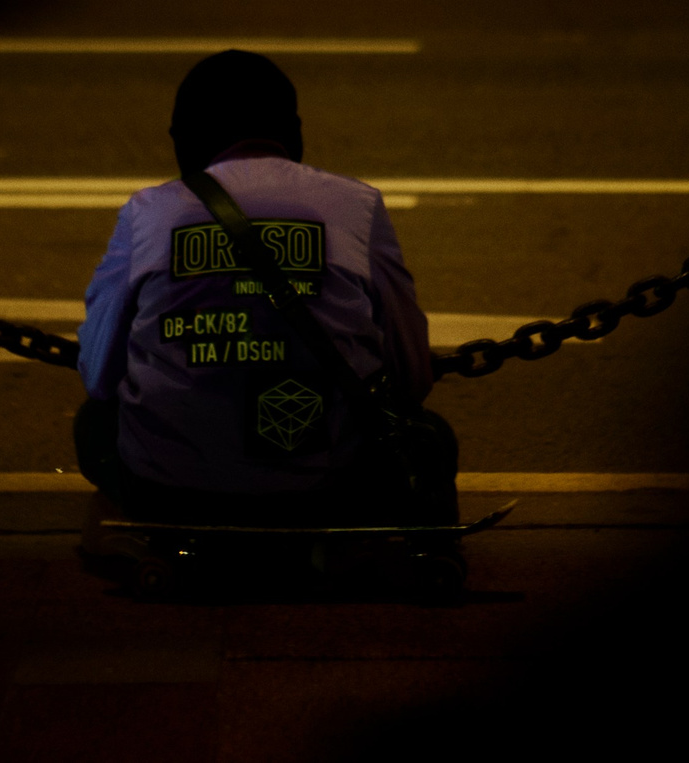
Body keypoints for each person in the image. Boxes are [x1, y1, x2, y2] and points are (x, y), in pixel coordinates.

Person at [73, 50, 453, 522]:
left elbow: (98, 375)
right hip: (328, 490)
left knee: (93, 424)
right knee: (432, 436)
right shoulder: (357, 206)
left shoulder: (149, 213)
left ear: (185, 137)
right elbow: (411, 376)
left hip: (173, 491)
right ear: (292, 130)